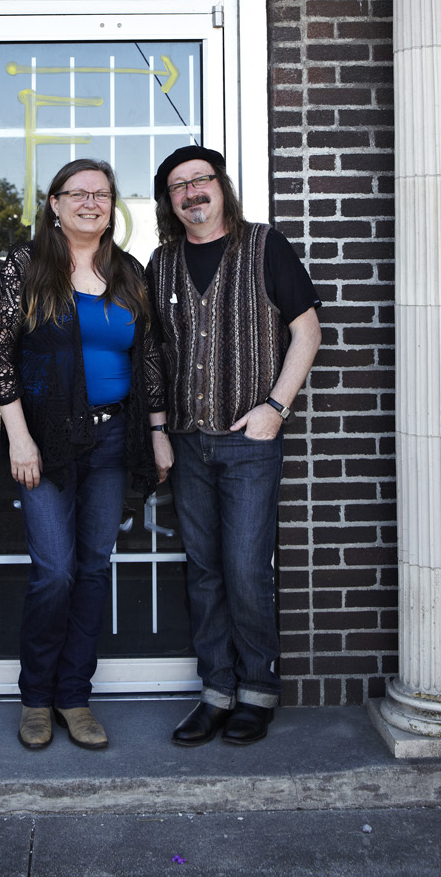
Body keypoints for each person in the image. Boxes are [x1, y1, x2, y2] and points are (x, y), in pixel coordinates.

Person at [0, 158, 171, 752]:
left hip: (115, 439)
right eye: (78, 193)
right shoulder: (27, 267)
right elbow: (0, 357)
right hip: (46, 440)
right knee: (55, 573)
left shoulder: (129, 273)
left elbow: (147, 361)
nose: (91, 202)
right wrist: (18, 435)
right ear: (55, 204)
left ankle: (74, 696)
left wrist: (158, 430)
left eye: (102, 193)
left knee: (93, 569)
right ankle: (36, 697)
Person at [146, 146, 321, 747]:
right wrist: (159, 432)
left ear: (221, 187)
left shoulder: (265, 244)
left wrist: (275, 409)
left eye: (201, 181)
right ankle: (216, 691)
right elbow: (153, 355)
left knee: (246, 569)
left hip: (249, 441)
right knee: (203, 572)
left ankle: (257, 692)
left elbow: (307, 330)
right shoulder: (161, 262)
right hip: (188, 443)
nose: (192, 193)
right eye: (178, 187)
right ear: (169, 202)